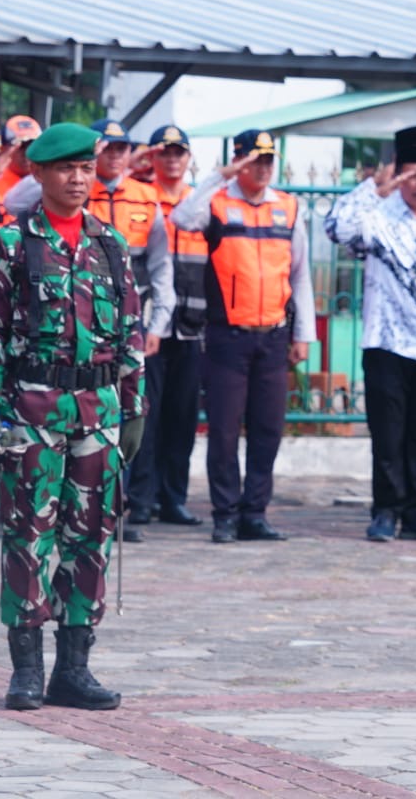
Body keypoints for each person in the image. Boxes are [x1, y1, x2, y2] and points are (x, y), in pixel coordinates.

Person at [0, 121, 145, 711]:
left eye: (86, 168)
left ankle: (74, 668)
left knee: (90, 536)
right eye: (66, 168)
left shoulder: (111, 245)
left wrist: (135, 409)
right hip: (32, 411)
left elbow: (131, 336)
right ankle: (25, 669)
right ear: (39, 173)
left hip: (99, 411)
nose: (78, 178)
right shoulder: (12, 244)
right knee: (29, 535)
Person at [169, 129, 316, 543]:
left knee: (268, 429)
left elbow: (300, 274)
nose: (264, 168)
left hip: (272, 335)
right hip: (226, 336)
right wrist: (220, 176)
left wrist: (302, 334)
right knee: (224, 429)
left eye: (270, 160)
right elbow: (182, 217)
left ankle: (255, 513)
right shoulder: (217, 201)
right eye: (256, 160)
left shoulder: (288, 207)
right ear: (239, 161)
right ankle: (225, 514)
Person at [325, 132, 416, 543]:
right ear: (398, 176)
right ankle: (385, 511)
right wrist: (375, 186)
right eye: (411, 175)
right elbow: (336, 225)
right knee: (389, 433)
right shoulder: (376, 217)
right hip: (387, 342)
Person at [129, 125, 209, 528]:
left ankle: (174, 497)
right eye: (165, 153)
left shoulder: (200, 203)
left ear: (189, 158)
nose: (173, 160)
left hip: (192, 326)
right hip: (151, 325)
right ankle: (141, 498)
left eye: (180, 153)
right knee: (148, 414)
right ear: (153, 158)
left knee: (182, 417)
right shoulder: (142, 198)